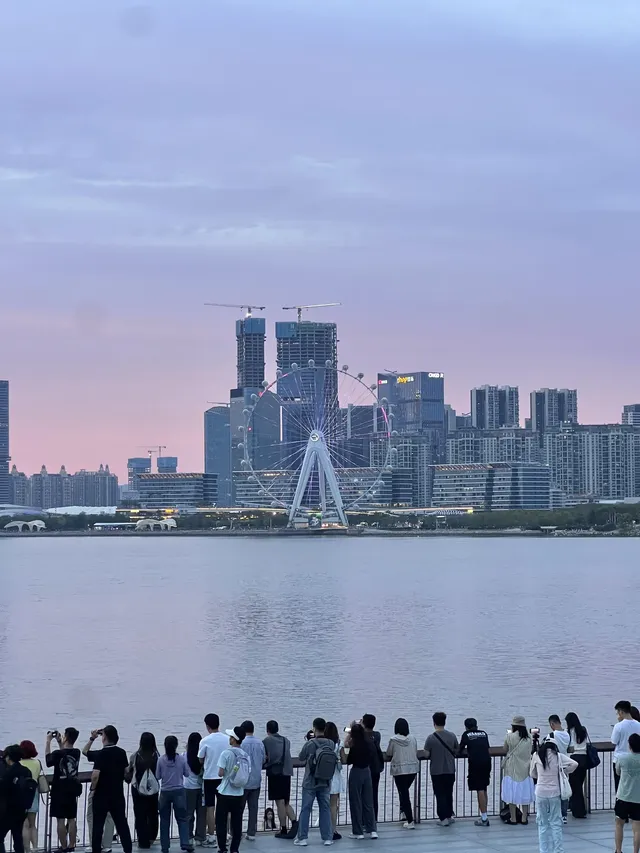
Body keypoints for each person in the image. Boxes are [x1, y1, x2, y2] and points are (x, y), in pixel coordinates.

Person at [83, 725, 133, 853]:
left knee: (98, 825)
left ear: (104, 738)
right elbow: (126, 772)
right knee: (122, 824)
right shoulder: (121, 752)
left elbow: (94, 773)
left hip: (101, 795)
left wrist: (92, 738)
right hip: (117, 794)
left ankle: (96, 850)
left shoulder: (101, 754)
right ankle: (128, 849)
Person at [530, 737, 577, 853]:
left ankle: (543, 850)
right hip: (554, 792)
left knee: (542, 824)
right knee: (556, 823)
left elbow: (532, 774)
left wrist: (540, 776)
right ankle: (558, 850)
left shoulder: (536, 755)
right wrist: (564, 771)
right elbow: (574, 764)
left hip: (540, 792)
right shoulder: (558, 756)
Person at [294, 718, 335, 847]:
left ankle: (302, 838)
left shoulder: (310, 743)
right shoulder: (331, 743)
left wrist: (308, 741)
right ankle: (327, 837)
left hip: (310, 781)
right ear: (325, 728)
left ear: (314, 728)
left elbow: (301, 757)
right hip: (325, 781)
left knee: (306, 809)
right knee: (325, 808)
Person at [46, 727, 82, 852]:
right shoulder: (77, 752)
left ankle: (64, 846)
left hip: (59, 789)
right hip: (72, 789)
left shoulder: (57, 753)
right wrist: (60, 742)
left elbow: (48, 761)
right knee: (71, 819)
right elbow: (65, 754)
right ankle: (72, 845)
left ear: (65, 737)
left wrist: (48, 741)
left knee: (60, 820)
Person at [216, 727, 250, 853]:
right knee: (237, 822)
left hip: (225, 792)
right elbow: (248, 772)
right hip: (239, 792)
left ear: (234, 739)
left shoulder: (226, 753)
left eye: (231, 737)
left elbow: (220, 773)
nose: (229, 739)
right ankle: (234, 849)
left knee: (221, 821)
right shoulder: (245, 755)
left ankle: (222, 848)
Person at [156, 735, 192, 853]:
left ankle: (165, 847)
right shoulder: (181, 759)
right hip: (179, 791)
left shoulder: (161, 759)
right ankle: (185, 842)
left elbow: (157, 776)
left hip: (165, 792)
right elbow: (187, 774)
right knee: (182, 818)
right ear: (176, 746)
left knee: (164, 820)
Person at [198, 714, 230, 847]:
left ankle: (211, 836)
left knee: (210, 808)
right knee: (224, 808)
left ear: (207, 726)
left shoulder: (205, 741)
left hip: (209, 777)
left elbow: (200, 759)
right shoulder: (227, 739)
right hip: (224, 777)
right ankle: (225, 834)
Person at [343, 722, 377, 840]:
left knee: (355, 802)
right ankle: (372, 829)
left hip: (356, 772)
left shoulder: (354, 745)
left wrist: (348, 736)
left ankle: (358, 832)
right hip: (367, 772)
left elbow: (348, 759)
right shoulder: (369, 743)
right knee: (368, 802)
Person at [263, 721, 297, 839]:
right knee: (286, 802)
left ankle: (283, 828)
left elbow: (264, 757)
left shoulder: (266, 741)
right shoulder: (286, 740)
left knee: (279, 803)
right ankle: (294, 822)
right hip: (286, 773)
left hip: (275, 773)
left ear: (267, 730)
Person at [125, 732, 159, 850]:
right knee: (153, 813)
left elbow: (129, 771)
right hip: (153, 789)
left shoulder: (135, 756)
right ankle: (152, 837)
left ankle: (142, 840)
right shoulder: (157, 756)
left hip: (138, 789)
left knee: (140, 815)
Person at [424, 712, 458, 827]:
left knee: (440, 794)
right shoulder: (452, 736)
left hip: (436, 770)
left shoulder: (431, 738)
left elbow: (426, 754)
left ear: (434, 723)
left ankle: (443, 818)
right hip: (450, 769)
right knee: (449, 793)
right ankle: (449, 815)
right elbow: (456, 749)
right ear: (445, 722)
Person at [385, 718, 418, 829]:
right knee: (404, 792)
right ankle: (404, 813)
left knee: (404, 794)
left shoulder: (393, 740)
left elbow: (389, 752)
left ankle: (409, 820)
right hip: (412, 769)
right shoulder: (412, 738)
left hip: (399, 770)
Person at [0, 744, 33, 853]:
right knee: (18, 838)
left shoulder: (7, 773)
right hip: (21, 810)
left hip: (7, 810)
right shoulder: (26, 771)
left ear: (8, 757)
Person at [501, 716, 534, 825]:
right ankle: (524, 818)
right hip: (525, 768)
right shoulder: (529, 738)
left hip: (512, 768)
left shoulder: (509, 736)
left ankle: (513, 818)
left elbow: (505, 749)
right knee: (525, 793)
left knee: (511, 793)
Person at [459, 718, 491, 828]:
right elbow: (486, 747)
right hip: (487, 762)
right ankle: (484, 814)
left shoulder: (466, 734)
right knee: (484, 787)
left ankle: (484, 818)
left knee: (480, 789)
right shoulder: (483, 733)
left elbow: (460, 749)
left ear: (466, 727)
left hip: (475, 763)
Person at [614, 732, 640, 853]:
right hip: (638, 798)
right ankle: (635, 851)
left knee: (619, 824)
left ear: (629, 745)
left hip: (623, 797)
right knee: (637, 827)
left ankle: (618, 850)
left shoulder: (622, 758)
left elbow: (618, 772)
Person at [240, 721, 265, 842]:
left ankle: (236, 831)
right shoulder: (260, 743)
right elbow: (263, 759)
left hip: (243, 781)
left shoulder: (241, 743)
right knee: (253, 808)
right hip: (256, 779)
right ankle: (251, 832)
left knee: (238, 808)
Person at [19, 741, 44, 852]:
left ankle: (27, 849)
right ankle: (35, 847)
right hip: (33, 793)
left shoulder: (18, 763)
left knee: (24, 825)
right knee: (33, 824)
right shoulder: (37, 762)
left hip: (21, 794)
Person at [565, 712, 589, 819]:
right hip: (584, 759)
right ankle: (579, 808)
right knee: (579, 785)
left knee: (575, 786)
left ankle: (578, 810)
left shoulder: (568, 732)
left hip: (574, 759)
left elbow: (569, 746)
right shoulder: (583, 730)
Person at [612, 701, 640, 793]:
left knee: (619, 787)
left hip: (619, 759)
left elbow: (614, 741)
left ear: (621, 712)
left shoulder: (618, 726)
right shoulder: (638, 725)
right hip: (636, 758)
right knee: (635, 786)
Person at [184, 733, 206, 847]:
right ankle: (200, 838)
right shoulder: (203, 757)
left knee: (189, 814)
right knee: (201, 814)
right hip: (202, 788)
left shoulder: (184, 756)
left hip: (188, 788)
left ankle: (188, 837)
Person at [324, 723, 345, 841]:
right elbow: (344, 759)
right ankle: (333, 829)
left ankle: (325, 828)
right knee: (333, 805)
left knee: (324, 804)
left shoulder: (323, 744)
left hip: (323, 776)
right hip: (335, 776)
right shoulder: (338, 744)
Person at [548, 715, 571, 823]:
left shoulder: (552, 735)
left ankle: (554, 813)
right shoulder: (567, 734)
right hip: (565, 764)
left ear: (552, 724)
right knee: (564, 790)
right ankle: (564, 815)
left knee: (553, 791)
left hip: (554, 764)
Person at [362, 715, 384, 824]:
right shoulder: (377, 735)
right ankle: (374, 819)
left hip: (364, 769)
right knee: (374, 795)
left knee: (362, 795)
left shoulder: (361, 736)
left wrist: (356, 727)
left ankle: (364, 820)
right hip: (376, 768)